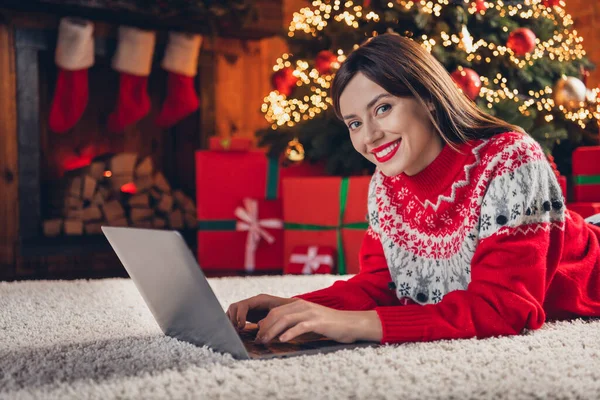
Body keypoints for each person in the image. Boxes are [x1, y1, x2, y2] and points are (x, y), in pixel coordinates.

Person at [226, 33, 600, 345]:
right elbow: (380, 286)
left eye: (383, 108)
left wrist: (350, 325)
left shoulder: (511, 159)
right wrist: (295, 307)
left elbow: (504, 309)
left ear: (430, 100)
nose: (369, 136)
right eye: (354, 123)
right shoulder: (386, 184)